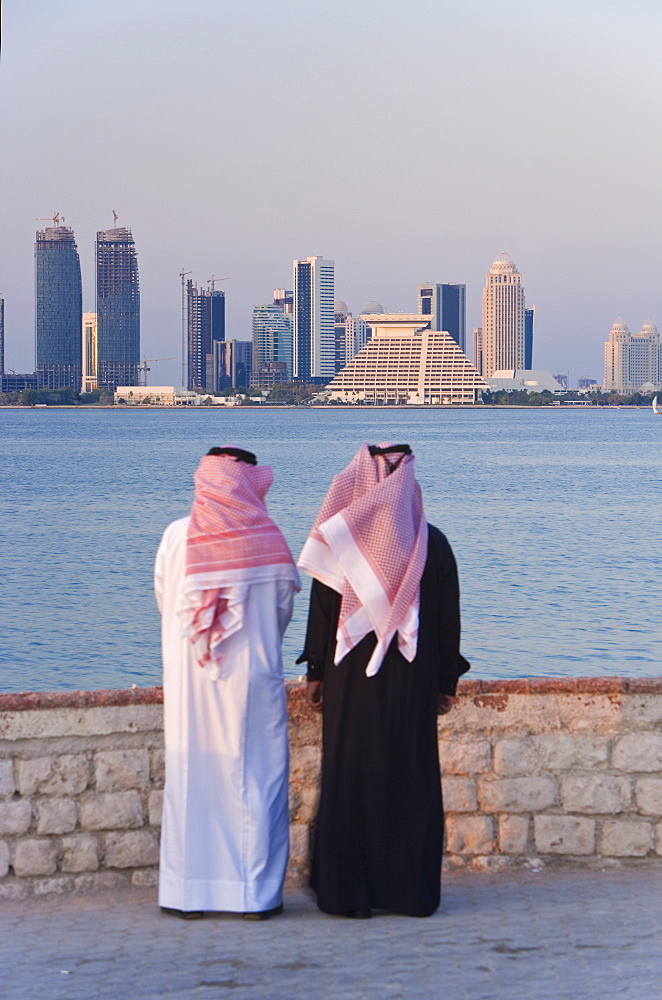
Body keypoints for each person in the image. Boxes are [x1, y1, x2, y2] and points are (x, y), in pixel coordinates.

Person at [297, 442, 469, 918]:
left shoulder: (339, 541)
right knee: (406, 776)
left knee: (351, 774)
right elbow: (447, 621)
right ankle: (407, 892)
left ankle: (346, 892)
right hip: (410, 683)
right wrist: (445, 683)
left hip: (350, 681)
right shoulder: (433, 542)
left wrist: (315, 672)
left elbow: (323, 615)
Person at [155, 446, 299, 920]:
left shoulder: (178, 537)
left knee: (192, 776)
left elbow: (163, 597)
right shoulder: (270, 540)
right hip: (253, 679)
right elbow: (282, 614)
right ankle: (255, 896)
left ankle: (186, 894)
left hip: (191, 677)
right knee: (257, 779)